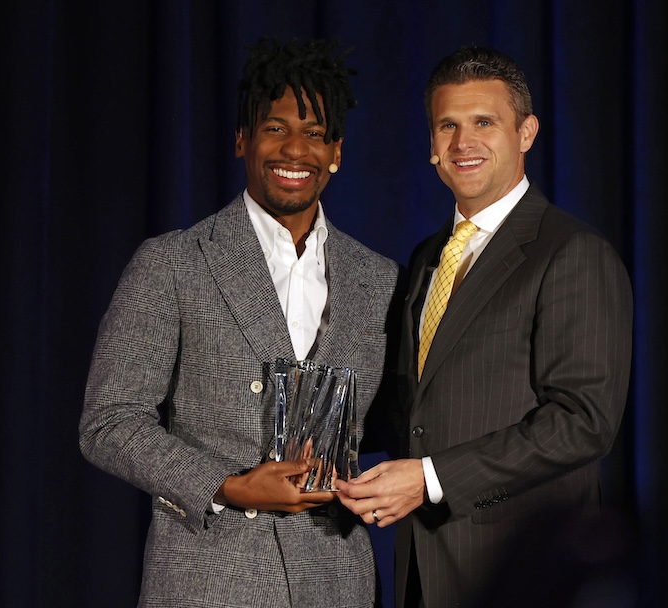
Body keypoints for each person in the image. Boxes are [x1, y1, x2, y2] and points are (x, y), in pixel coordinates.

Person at [79, 37, 402, 608]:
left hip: (336, 582)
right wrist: (227, 486)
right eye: (275, 128)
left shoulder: (377, 280)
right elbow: (109, 422)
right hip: (210, 581)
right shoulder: (174, 263)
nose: (295, 149)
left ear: (337, 153)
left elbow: (385, 424)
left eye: (315, 133)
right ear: (242, 140)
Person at [336, 45, 634, 608]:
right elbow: (415, 411)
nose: (462, 143)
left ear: (526, 133)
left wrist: (427, 479)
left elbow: (583, 422)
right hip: (424, 573)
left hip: (523, 573)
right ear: (431, 147)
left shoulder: (572, 253)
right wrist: (316, 431)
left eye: (483, 123)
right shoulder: (428, 258)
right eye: (446, 125)